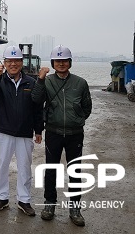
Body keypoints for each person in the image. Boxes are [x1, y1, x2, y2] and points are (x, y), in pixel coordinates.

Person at [31, 45, 92, 226]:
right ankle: (49, 204)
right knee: (51, 170)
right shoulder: (47, 81)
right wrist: (40, 80)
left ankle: (75, 209)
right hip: (53, 132)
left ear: (70, 63)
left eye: (64, 61)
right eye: (58, 61)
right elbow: (35, 99)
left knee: (75, 171)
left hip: (75, 134)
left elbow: (87, 107)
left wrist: (78, 118)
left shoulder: (80, 83)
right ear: (53, 63)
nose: (61, 64)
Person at [0, 45, 43, 217]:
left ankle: (24, 200)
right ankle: (1, 197)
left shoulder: (31, 82)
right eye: (9, 61)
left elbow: (38, 108)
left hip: (25, 132)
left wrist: (38, 130)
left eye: (16, 61)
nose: (13, 64)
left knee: (24, 166)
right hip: (3, 130)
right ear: (5, 63)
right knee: (1, 165)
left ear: (21, 62)